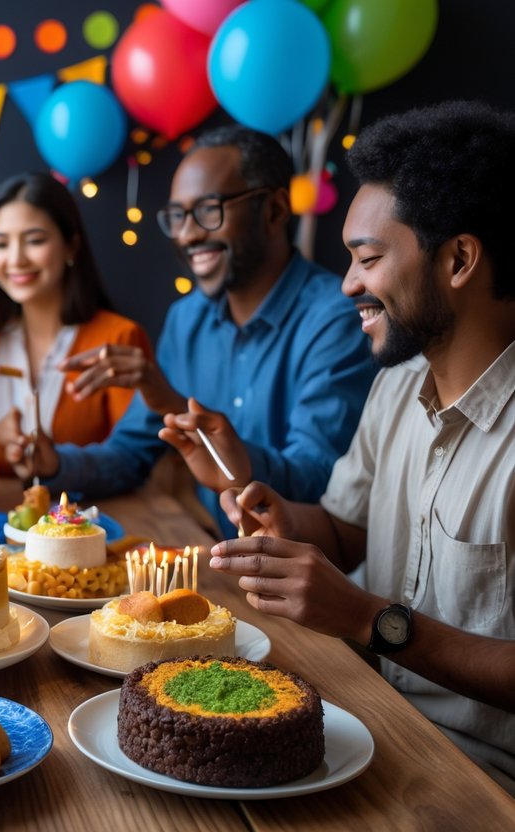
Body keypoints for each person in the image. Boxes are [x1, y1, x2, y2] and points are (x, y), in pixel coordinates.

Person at [211, 101, 515, 791]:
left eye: (367, 259)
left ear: (458, 259)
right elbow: (346, 532)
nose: (347, 284)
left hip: (485, 779)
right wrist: (285, 525)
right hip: (371, 717)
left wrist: (366, 618)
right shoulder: (394, 389)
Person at [3, 126, 375, 536]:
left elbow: (320, 481)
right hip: (217, 555)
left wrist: (206, 432)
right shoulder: (187, 319)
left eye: (209, 210)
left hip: (306, 571)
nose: (188, 234)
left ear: (274, 210)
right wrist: (54, 464)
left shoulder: (336, 319)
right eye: (178, 216)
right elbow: (130, 456)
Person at [0, 172, 152, 476]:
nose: (15, 259)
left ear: (71, 247)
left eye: (35, 240)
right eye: (1, 244)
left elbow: (133, 460)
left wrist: (56, 461)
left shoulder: (118, 337)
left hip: (90, 518)